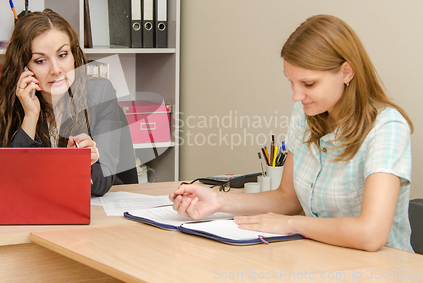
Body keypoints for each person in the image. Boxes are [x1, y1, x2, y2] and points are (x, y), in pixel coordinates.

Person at [170, 15, 414, 252]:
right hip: (319, 260)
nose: (296, 96)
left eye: (308, 84)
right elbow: (288, 199)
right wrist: (218, 201)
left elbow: (371, 234)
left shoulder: (387, 127)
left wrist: (290, 224)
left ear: (346, 72)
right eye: (291, 82)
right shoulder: (305, 114)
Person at [0, 9, 122, 196]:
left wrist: (81, 163)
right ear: (24, 67)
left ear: (74, 55)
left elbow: (102, 182)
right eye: (40, 60)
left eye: (63, 54)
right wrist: (30, 116)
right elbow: (8, 180)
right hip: (30, 213)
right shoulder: (6, 98)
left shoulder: (100, 93)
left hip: (87, 210)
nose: (56, 69)